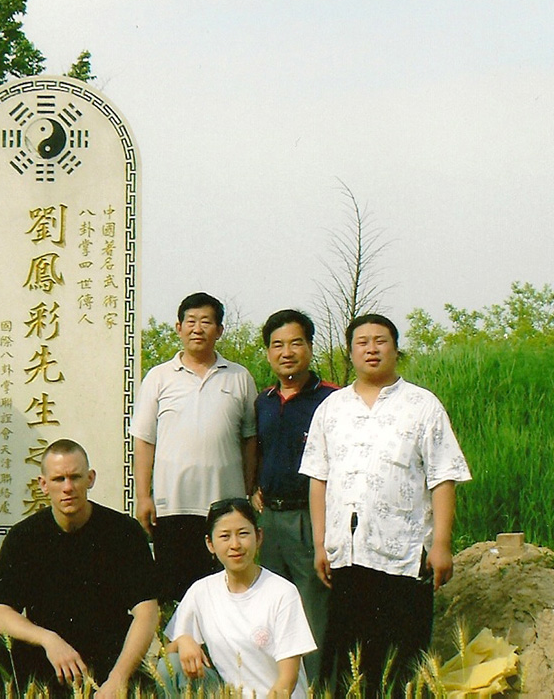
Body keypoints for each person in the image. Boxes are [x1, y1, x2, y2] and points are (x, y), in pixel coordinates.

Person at [300, 314, 472, 689]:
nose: (372, 349)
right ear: (350, 352)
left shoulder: (422, 405)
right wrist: (320, 544)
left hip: (404, 555)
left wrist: (441, 544)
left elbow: (443, 476)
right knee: (350, 665)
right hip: (347, 554)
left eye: (381, 341)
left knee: (403, 664)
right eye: (362, 342)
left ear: (396, 350)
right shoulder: (332, 408)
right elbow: (319, 479)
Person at [0, 439, 158, 698]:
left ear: (91, 479)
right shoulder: (24, 536)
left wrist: (118, 679)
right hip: (48, 656)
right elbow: (0, 614)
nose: (68, 488)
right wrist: (49, 640)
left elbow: (147, 612)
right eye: (59, 479)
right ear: (43, 484)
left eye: (75, 477)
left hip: (107, 655)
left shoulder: (124, 532)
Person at [131, 291, 258, 604]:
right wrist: (144, 496)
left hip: (225, 507)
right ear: (178, 328)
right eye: (191, 321)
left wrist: (249, 489)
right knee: (175, 594)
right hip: (172, 506)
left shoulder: (240, 377)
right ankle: (177, 654)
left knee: (225, 594)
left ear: (220, 330)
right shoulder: (158, 377)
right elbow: (144, 440)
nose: (197, 328)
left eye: (206, 322)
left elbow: (251, 440)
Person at [252, 309, 337, 680]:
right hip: (268, 520)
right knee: (268, 610)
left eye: (295, 343)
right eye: (277, 345)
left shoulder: (333, 399)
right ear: (268, 353)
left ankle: (315, 688)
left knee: (313, 615)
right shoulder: (264, 401)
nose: (287, 352)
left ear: (310, 347)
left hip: (310, 519)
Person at [161, 497, 316, 698]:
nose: (235, 545)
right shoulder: (202, 591)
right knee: (171, 665)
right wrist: (184, 640)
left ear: (259, 537)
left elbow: (287, 680)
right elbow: (168, 648)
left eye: (243, 534)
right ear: (210, 544)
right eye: (225, 536)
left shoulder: (282, 592)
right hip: (228, 694)